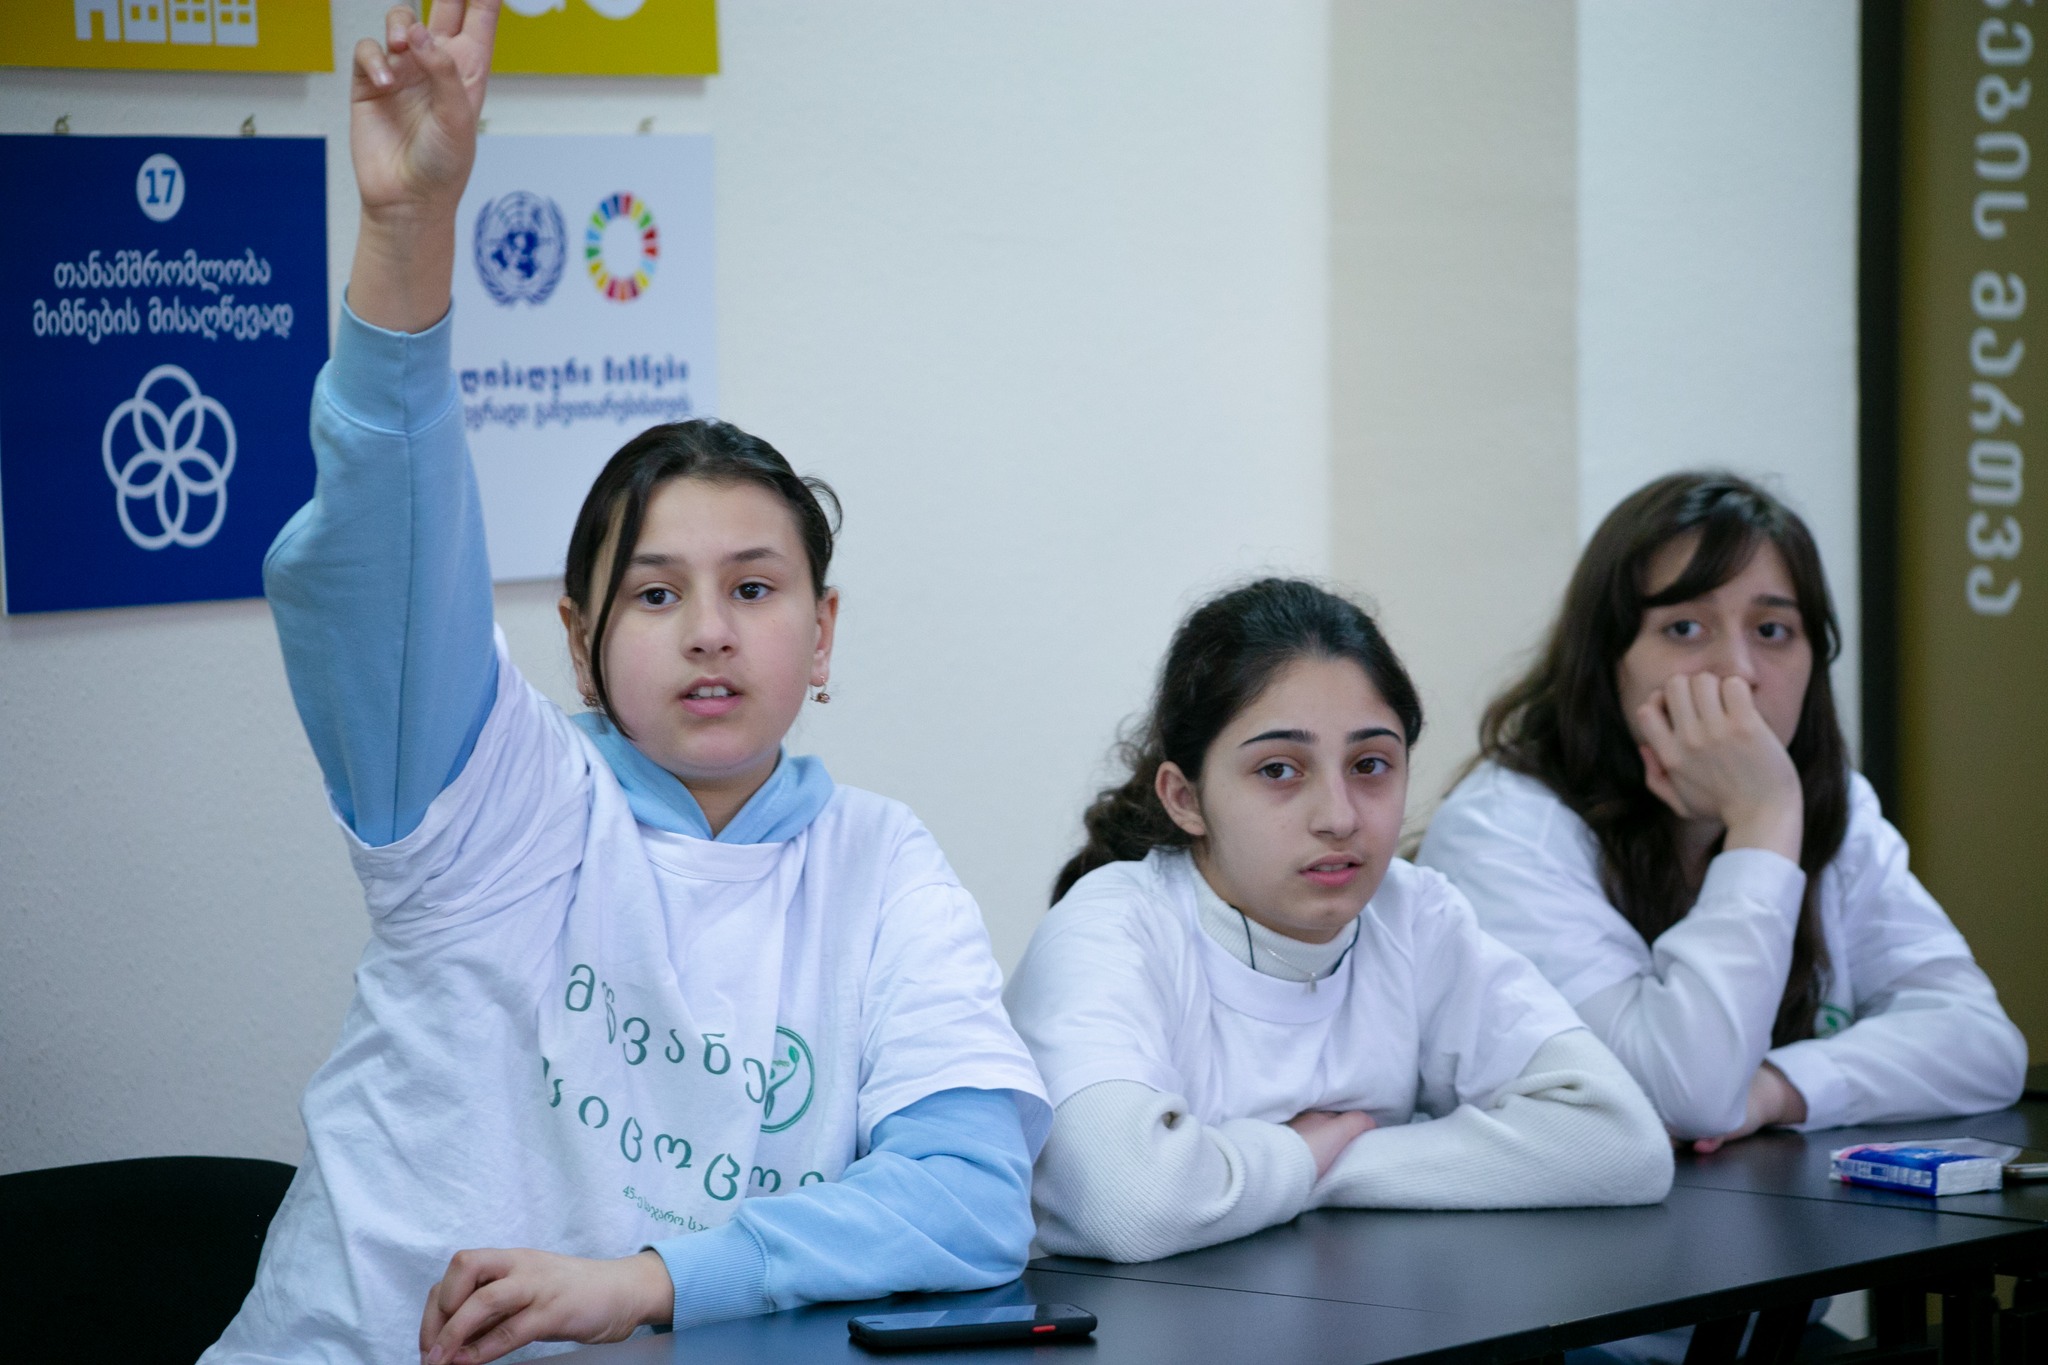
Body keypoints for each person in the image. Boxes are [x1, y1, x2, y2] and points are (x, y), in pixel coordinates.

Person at [203, 5, 1048, 1362]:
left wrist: (650, 1281)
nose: (709, 632)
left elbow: (967, 1201)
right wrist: (410, 232)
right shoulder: (491, 799)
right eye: (656, 595)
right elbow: (385, 550)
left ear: (823, 635)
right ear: (580, 637)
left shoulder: (881, 867)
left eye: (754, 590)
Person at [1003, 579, 1672, 1264]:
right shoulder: (1111, 927)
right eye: (1279, 769)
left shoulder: (1413, 914)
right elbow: (1126, 1204)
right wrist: (1298, 1152)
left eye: (1370, 765)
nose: (1340, 816)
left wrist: (1324, 1161)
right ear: (1186, 798)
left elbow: (1621, 1142)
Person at [1420, 472, 2026, 1153]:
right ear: (1606, 660)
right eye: (1684, 627)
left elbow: (1984, 1044)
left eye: (1772, 629)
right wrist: (1762, 821)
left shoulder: (1835, 805)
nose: (1737, 670)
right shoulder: (1502, 830)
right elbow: (1686, 1095)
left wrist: (1777, 1087)